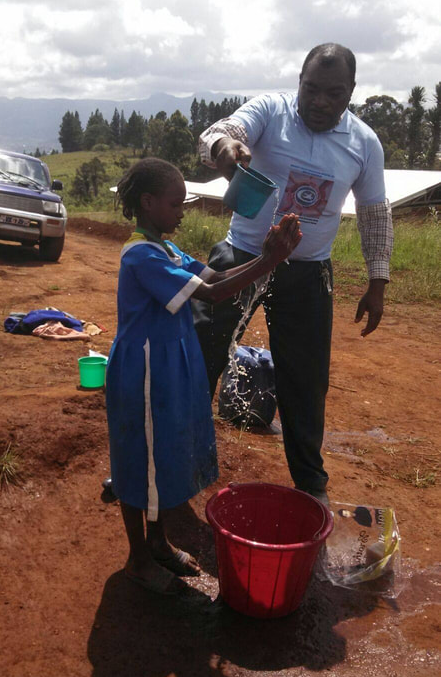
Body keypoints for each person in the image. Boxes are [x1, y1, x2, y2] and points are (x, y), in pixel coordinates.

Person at [193, 43, 393, 507]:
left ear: (352, 92)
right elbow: (218, 132)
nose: (320, 101)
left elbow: (375, 212)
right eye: (311, 89)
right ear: (298, 81)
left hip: (307, 273)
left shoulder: (363, 143)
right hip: (241, 258)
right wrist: (227, 148)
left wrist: (377, 281)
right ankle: (179, 459)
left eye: (334, 92)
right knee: (200, 354)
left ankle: (311, 487)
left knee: (305, 381)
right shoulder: (271, 111)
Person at [106, 158, 302, 595]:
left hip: (164, 368)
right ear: (148, 202)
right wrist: (269, 259)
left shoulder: (167, 250)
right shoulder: (141, 255)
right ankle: (138, 559)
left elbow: (213, 275)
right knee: (142, 462)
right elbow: (213, 295)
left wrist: (268, 261)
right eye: (176, 204)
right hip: (144, 373)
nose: (183, 211)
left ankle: (157, 542)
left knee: (158, 458)